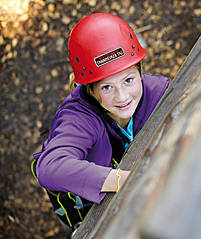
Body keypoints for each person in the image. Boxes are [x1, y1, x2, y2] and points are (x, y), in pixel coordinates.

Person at [32, 12, 170, 234]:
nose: (122, 96)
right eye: (107, 87)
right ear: (91, 90)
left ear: (140, 71)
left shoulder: (158, 92)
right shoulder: (80, 118)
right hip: (88, 199)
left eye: (128, 80)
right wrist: (125, 180)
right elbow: (50, 168)